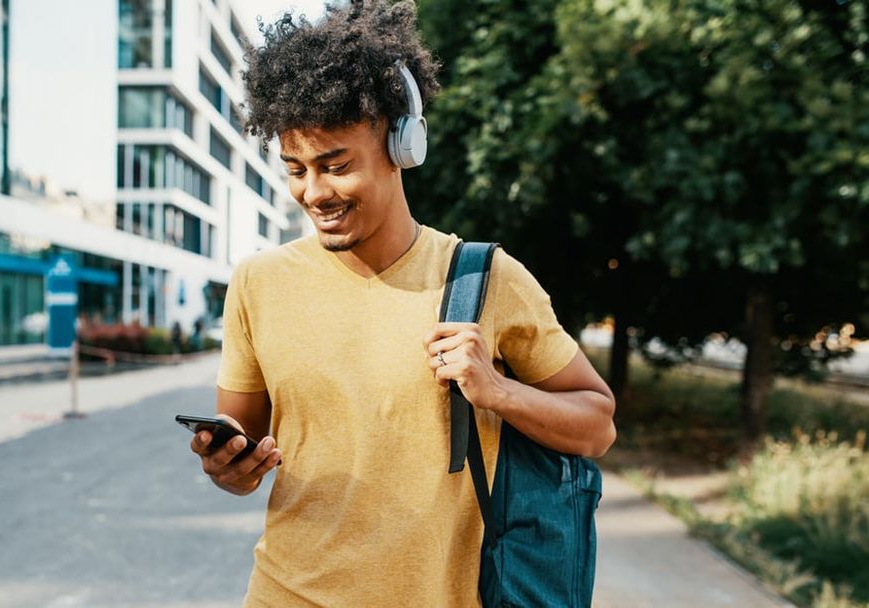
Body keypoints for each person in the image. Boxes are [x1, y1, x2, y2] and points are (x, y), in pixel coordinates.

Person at [188, 2, 616, 606]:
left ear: (401, 144)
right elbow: (245, 449)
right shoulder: (259, 283)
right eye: (296, 169)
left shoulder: (486, 278)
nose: (314, 192)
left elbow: (597, 424)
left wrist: (497, 391)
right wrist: (227, 467)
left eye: (336, 166)